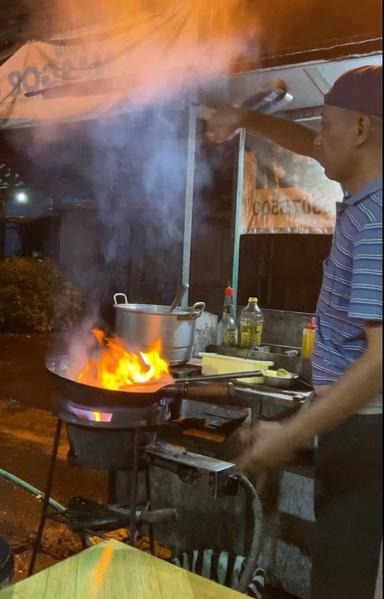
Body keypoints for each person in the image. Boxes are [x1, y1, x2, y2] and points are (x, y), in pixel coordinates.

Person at [206, 65, 382, 599]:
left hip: (368, 433)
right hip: (352, 427)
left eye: (326, 123)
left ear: (361, 129)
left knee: (345, 583)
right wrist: (244, 117)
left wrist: (291, 433)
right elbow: (305, 143)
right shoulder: (363, 195)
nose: (316, 136)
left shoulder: (376, 221)